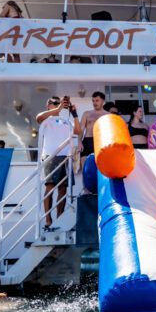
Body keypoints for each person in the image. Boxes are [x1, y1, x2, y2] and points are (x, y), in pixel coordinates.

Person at [35, 95, 81, 230]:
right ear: (48, 105)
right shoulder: (47, 120)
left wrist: (74, 114)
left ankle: (59, 219)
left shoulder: (65, 121)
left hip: (65, 157)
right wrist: (59, 109)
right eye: (53, 103)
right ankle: (48, 220)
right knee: (50, 187)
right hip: (51, 156)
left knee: (63, 189)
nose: (56, 105)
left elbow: (78, 132)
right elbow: (38, 118)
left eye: (58, 103)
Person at [79, 91, 108, 159]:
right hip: (87, 141)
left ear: (103, 101)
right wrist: (79, 141)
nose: (94, 103)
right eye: (93, 101)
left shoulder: (108, 115)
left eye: (97, 100)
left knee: (99, 166)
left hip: (101, 142)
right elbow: (81, 129)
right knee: (85, 164)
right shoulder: (86, 113)